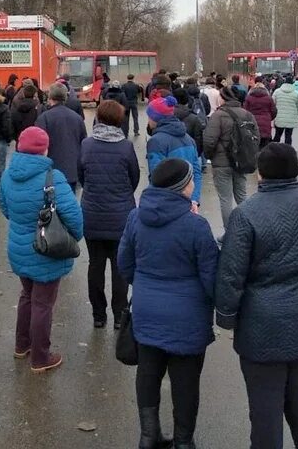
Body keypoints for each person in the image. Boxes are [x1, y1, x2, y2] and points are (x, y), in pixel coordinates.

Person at [216, 143, 298, 449]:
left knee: (265, 413)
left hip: (262, 328)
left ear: (260, 174)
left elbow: (231, 274)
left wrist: (226, 316)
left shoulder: (246, 215)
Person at [118, 158, 219, 449]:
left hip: (146, 311)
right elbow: (211, 278)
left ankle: (148, 436)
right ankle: (184, 442)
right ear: (180, 188)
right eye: (190, 180)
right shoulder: (196, 226)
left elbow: (125, 263)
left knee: (148, 372)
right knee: (185, 382)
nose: (193, 184)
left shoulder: (136, 217)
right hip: (187, 318)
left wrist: (147, 285)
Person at [0, 126, 83, 373]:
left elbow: (5, 209)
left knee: (27, 295)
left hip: (19, 246)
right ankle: (40, 358)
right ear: (45, 148)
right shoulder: (53, 178)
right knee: (43, 303)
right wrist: (70, 239)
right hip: (46, 249)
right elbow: (74, 219)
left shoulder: (7, 175)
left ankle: (21, 345)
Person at [78, 101, 139, 329]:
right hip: (121, 215)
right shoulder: (126, 147)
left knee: (95, 264)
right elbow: (134, 178)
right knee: (120, 267)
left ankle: (98, 315)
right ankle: (120, 316)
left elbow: (81, 175)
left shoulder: (86, 144)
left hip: (92, 213)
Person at [203, 87, 259, 234]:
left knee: (225, 199)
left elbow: (209, 140)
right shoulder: (248, 114)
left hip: (221, 163)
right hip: (241, 162)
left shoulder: (218, 115)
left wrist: (210, 156)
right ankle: (248, 228)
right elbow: (256, 138)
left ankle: (229, 233)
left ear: (224, 98)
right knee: (242, 195)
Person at [146, 95, 202, 211]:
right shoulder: (188, 138)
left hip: (167, 203)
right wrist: (194, 200)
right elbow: (196, 171)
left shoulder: (156, 141)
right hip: (187, 200)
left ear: (155, 118)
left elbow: (157, 177)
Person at [35, 83, 87, 192]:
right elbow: (84, 145)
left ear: (50, 97)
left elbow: (38, 147)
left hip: (50, 172)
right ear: (65, 97)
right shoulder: (77, 118)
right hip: (72, 171)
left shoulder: (44, 118)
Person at [244, 77, 278, 149]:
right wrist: (269, 118)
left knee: (253, 146)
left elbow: (245, 111)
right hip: (265, 124)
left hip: (252, 123)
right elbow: (274, 111)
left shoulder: (249, 98)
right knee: (264, 146)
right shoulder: (269, 98)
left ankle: (255, 159)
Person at [172, 88, 204, 160]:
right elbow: (198, 138)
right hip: (190, 154)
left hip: (171, 154)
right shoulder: (194, 118)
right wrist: (197, 154)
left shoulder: (165, 115)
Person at [272, 74, 298, 145]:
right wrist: (297, 114)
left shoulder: (277, 91)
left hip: (279, 117)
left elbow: (272, 104)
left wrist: (274, 114)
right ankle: (288, 151)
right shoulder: (296, 93)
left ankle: (274, 150)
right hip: (291, 118)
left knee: (277, 135)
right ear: (292, 83)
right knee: (288, 136)